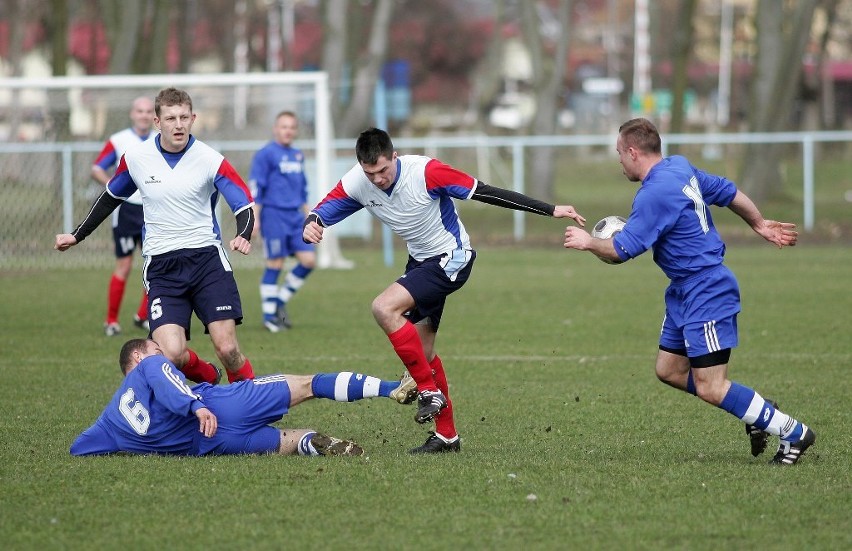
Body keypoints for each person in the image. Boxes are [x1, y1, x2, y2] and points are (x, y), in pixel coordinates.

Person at [303, 127, 586, 454]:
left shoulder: (427, 172)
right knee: (423, 354)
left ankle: (427, 391)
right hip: (421, 264)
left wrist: (550, 209)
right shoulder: (357, 181)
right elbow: (324, 209)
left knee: (384, 308)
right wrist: (313, 223)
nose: (378, 179)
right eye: (371, 173)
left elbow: (487, 192)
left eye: (383, 170)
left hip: (452, 259)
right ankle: (447, 436)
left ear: (395, 157)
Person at [563, 117, 815, 466]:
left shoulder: (654, 194)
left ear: (634, 152)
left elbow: (621, 251)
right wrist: (758, 223)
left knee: (712, 385)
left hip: (706, 290)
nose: (619, 160)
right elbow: (728, 192)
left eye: (620, 153)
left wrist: (588, 242)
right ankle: (757, 411)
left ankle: (793, 431)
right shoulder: (679, 167)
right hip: (684, 290)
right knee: (669, 370)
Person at [56, 87, 254, 386]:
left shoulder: (210, 159)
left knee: (227, 348)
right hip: (163, 266)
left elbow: (244, 203)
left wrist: (244, 233)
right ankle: (207, 375)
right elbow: (110, 196)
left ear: (193, 118)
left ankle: (252, 406)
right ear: (157, 122)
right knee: (172, 353)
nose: (178, 124)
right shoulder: (137, 158)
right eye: (171, 118)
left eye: (184, 117)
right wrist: (76, 235)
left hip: (207, 261)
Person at [70, 338, 418, 456]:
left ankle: (311, 442)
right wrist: (196, 405)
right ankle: (391, 388)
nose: (162, 354)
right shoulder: (149, 364)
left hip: (211, 447)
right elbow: (165, 379)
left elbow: (79, 447)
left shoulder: (109, 423)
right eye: (157, 349)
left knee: (288, 440)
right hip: (222, 406)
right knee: (308, 385)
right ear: (140, 357)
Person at [91, 96, 155, 337]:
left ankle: (143, 315)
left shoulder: (162, 141)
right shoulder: (118, 141)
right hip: (126, 211)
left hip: (153, 210)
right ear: (132, 113)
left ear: (155, 116)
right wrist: (114, 187)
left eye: (149, 111)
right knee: (124, 266)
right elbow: (97, 167)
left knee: (156, 265)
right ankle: (111, 320)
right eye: (140, 111)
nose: (144, 115)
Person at [249, 111, 316, 332]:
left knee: (308, 261)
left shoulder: (298, 155)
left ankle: (278, 302)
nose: (288, 131)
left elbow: (303, 189)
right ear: (275, 129)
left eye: (292, 127)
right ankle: (269, 317)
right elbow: (257, 189)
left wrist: (311, 217)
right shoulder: (266, 154)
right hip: (274, 215)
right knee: (275, 264)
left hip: (296, 217)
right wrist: (255, 219)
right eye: (284, 126)